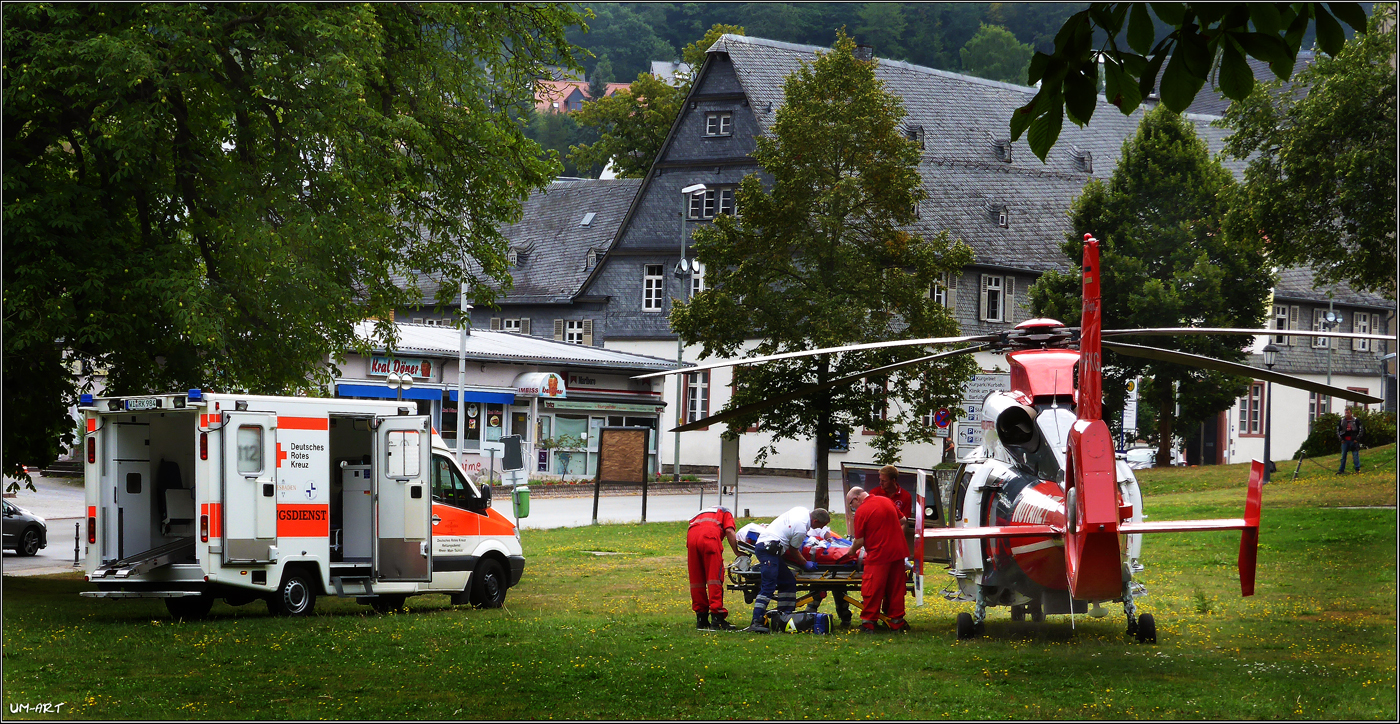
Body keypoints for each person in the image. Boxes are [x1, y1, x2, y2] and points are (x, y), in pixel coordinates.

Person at [744, 506, 830, 633]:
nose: (820, 529)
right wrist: (805, 564)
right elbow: (793, 550)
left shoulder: (801, 510)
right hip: (769, 549)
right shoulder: (801, 528)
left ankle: (784, 617)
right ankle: (756, 621)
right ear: (816, 521)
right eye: (821, 525)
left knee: (788, 582)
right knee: (769, 585)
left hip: (771, 547)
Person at [846, 486, 910, 634]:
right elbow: (903, 520)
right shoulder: (886, 501)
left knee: (872, 589)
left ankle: (868, 624)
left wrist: (850, 552)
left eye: (851, 505)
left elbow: (859, 540)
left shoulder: (862, 511)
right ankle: (896, 623)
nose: (852, 508)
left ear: (856, 499)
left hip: (878, 555)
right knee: (896, 589)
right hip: (898, 552)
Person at [687, 506, 742, 630]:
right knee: (714, 579)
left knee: (697, 580)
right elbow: (729, 531)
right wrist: (737, 551)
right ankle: (717, 619)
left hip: (691, 538)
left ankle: (701, 619)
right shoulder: (725, 512)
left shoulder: (701, 513)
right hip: (709, 539)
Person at [802, 524, 853, 627]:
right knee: (836, 590)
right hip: (824, 559)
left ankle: (810, 613)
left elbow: (823, 531)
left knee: (819, 590)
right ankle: (845, 617)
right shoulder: (803, 530)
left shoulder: (808, 528)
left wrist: (830, 540)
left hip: (826, 558)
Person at [1337, 407, 1364, 474]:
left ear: (1351, 413)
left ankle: (1357, 469)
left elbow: (1361, 430)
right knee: (1343, 456)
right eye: (1346, 413)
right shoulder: (1342, 421)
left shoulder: (1356, 421)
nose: (1347, 414)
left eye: (1348, 413)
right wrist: (1341, 439)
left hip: (1353, 440)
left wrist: (1357, 439)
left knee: (1355, 456)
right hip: (1345, 441)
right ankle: (1341, 470)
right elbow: (1338, 431)